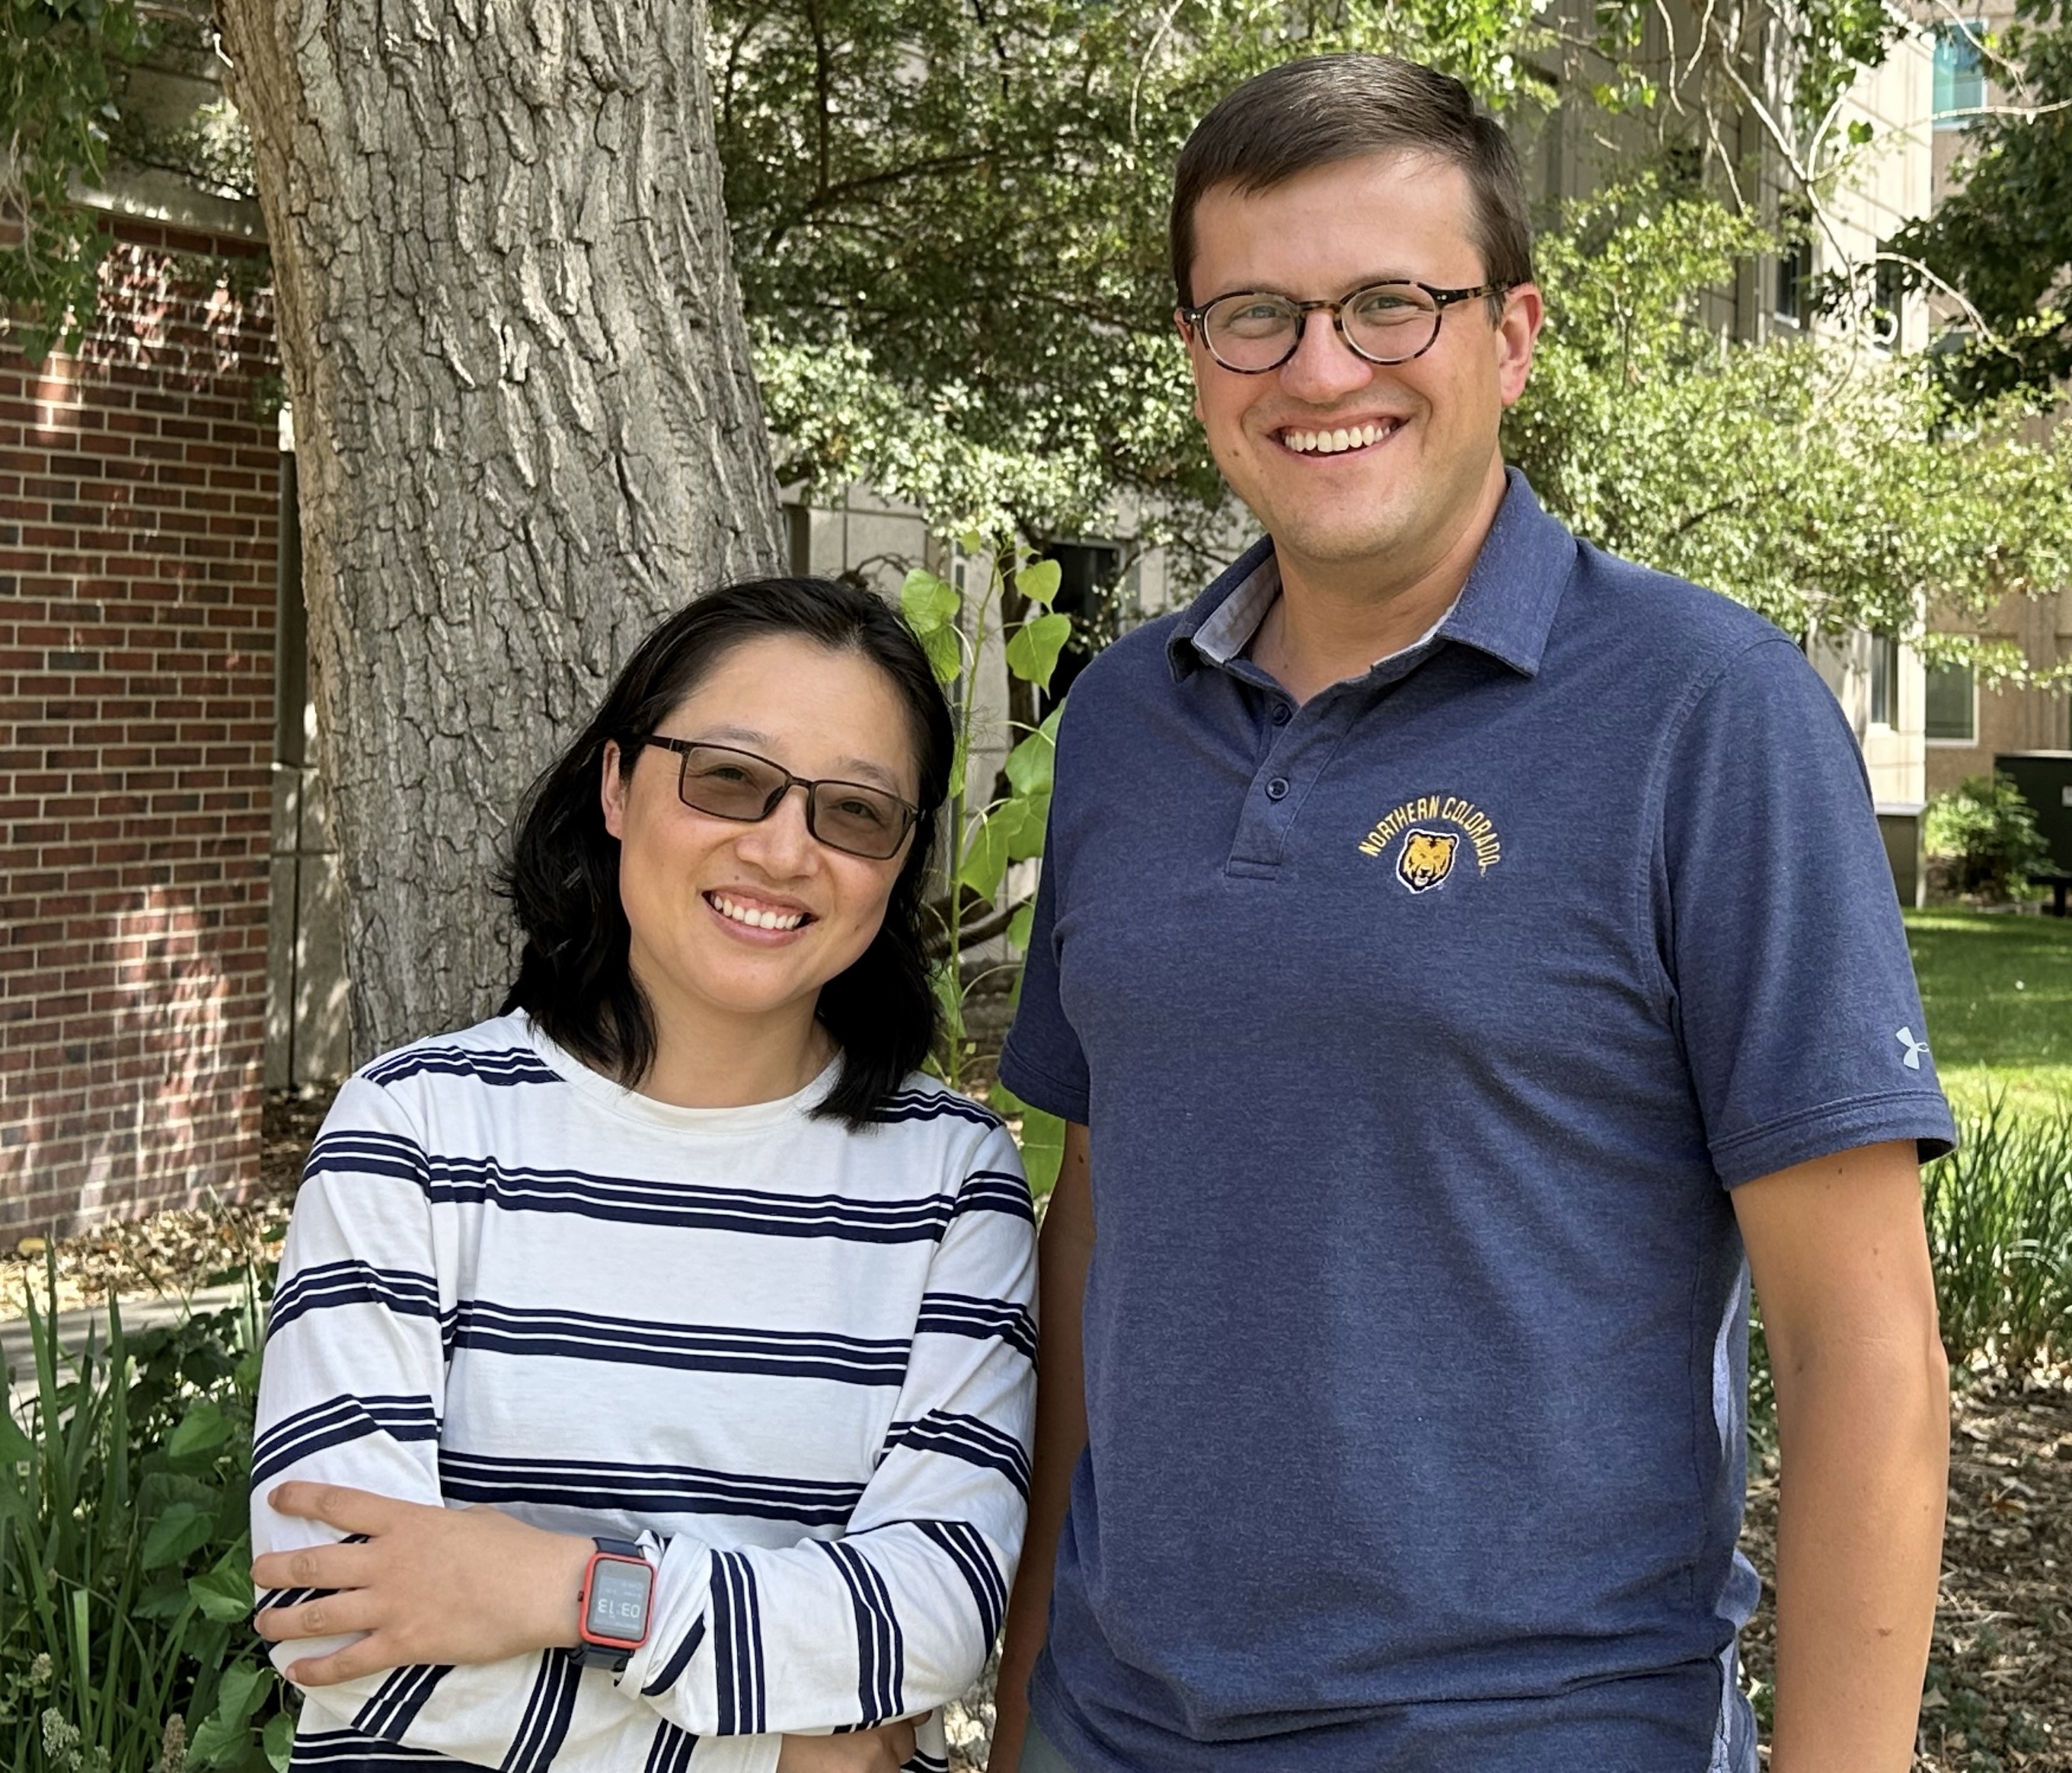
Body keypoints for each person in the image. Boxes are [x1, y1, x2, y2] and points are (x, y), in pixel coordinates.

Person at [990, 53, 1954, 1773]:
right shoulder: (1125, 721)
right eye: (1253, 316)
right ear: (1199, 357)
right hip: (1114, 1731)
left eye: (1387, 304)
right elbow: (1100, 1205)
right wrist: (1026, 1684)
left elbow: (1861, 1349)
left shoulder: (1701, 709)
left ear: (1508, 337)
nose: (1319, 368)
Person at [247, 577, 1037, 1773]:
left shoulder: (950, 1183)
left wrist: (569, 1586)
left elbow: (935, 1611)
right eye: (728, 776)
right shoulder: (412, 1135)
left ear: (899, 860)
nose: (782, 848)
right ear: (616, 785)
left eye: (855, 811)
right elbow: (333, 1608)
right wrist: (770, 1757)